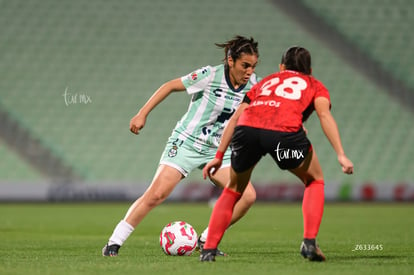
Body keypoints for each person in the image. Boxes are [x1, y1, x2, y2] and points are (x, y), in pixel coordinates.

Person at [102, 35, 260, 257]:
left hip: (217, 151)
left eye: (253, 66)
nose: (249, 71)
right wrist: (142, 114)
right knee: (157, 194)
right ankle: (113, 243)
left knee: (247, 196)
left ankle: (206, 240)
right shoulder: (209, 75)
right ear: (230, 60)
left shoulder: (254, 86)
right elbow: (169, 86)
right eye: (245, 65)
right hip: (187, 143)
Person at [200, 46, 354, 262]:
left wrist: (219, 155)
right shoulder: (315, 85)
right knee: (314, 180)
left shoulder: (266, 82)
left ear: (281, 67)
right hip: (283, 137)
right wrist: (341, 154)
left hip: (247, 131)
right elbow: (324, 115)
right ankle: (309, 243)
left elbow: (236, 118)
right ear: (309, 69)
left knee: (234, 189)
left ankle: (208, 250)